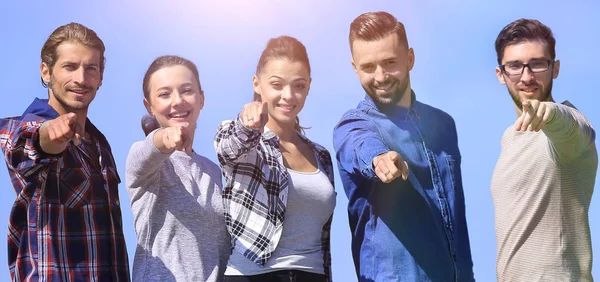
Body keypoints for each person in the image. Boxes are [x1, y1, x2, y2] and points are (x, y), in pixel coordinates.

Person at [333, 11, 475, 281]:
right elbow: (361, 146)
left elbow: (457, 221)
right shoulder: (352, 126)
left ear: (410, 58)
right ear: (354, 67)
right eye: (368, 67)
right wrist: (380, 159)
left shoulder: (444, 125)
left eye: (389, 62)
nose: (380, 76)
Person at [0, 22, 130, 281]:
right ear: (46, 72)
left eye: (90, 68)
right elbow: (30, 142)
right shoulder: (16, 128)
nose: (81, 79)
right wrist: (51, 135)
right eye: (69, 67)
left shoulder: (100, 145)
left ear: (101, 78)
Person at [214, 35, 336, 282]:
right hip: (252, 276)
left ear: (309, 86)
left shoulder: (321, 155)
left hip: (312, 275)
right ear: (257, 84)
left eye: (299, 86)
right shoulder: (244, 138)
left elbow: (323, 240)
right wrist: (247, 123)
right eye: (277, 85)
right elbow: (228, 148)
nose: (288, 96)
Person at [491, 18, 597, 282]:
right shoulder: (509, 138)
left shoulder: (567, 129)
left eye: (538, 64)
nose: (527, 77)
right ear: (500, 75)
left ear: (555, 68)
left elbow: (572, 127)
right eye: (515, 66)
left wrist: (549, 112)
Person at [125, 55, 230, 282]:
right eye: (164, 94)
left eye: (186, 91)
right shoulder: (144, 162)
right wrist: (165, 137)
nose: (177, 101)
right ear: (149, 106)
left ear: (201, 99)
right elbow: (151, 149)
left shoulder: (215, 172)